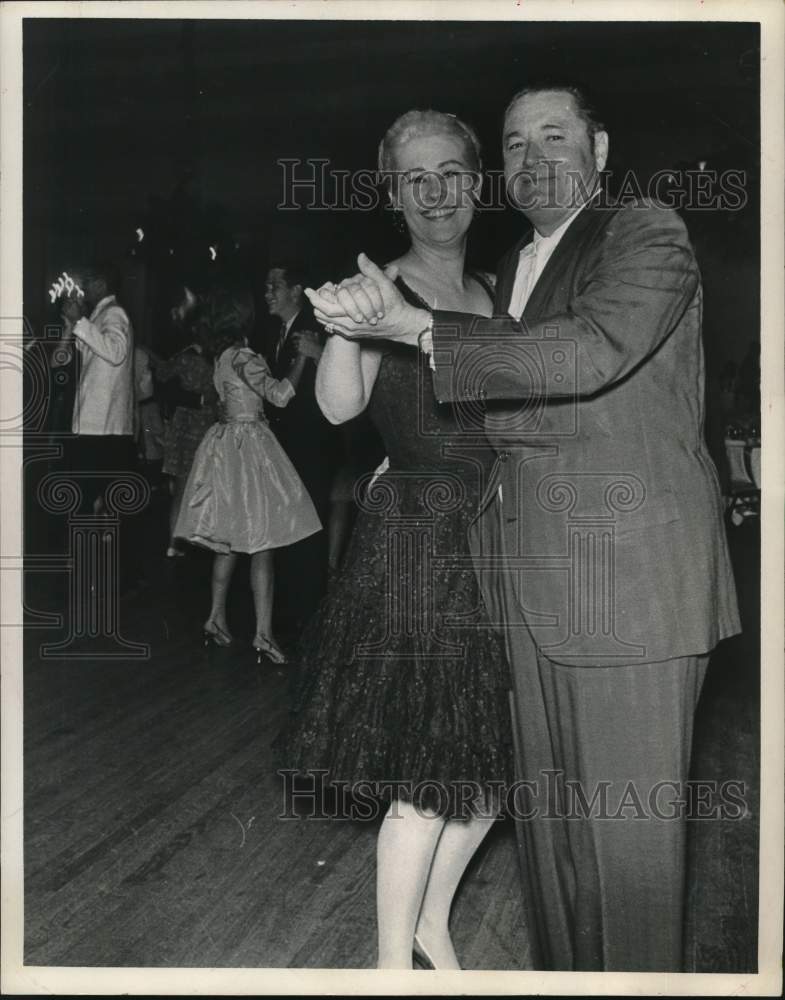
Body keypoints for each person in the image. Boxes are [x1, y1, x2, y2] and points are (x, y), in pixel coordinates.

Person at [306, 86, 741, 972]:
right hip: (480, 567)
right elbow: (382, 406)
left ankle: (449, 946)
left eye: (555, 136)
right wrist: (401, 427)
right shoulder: (476, 275)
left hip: (603, 577)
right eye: (517, 144)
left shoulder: (611, 239)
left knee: (585, 836)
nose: (534, 158)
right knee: (521, 830)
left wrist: (417, 338)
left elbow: (576, 363)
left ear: (600, 148)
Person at [277, 110, 514, 970]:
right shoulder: (384, 289)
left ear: (476, 183)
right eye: (414, 177)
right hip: (419, 551)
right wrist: (349, 326)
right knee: (427, 773)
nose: (434, 191)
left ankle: (430, 924)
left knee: (494, 771)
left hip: (500, 547)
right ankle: (387, 970)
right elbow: (339, 407)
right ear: (392, 193)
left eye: (450, 171)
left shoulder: (504, 289)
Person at [174, 283, 321, 663]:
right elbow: (281, 396)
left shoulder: (222, 356)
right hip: (250, 446)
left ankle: (215, 618)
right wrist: (304, 358)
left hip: (225, 446)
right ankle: (263, 634)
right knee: (262, 541)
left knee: (229, 540)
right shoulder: (245, 356)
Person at [264, 262, 339, 632]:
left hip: (311, 447)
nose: (268, 292)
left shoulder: (317, 329)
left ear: (296, 291)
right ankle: (292, 617)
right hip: (284, 448)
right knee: (290, 529)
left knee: (308, 530)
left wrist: (320, 350)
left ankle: (310, 622)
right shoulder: (276, 333)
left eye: (274, 285)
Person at [149, 288, 218, 558]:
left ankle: (177, 542)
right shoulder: (208, 358)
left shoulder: (188, 355)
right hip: (200, 426)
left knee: (183, 485)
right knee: (195, 485)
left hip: (187, 425)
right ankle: (186, 540)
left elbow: (164, 376)